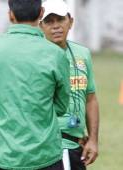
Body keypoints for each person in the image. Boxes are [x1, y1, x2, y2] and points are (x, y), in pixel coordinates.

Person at [0, 0, 71, 169]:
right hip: (45, 156)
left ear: (10, 15)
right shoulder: (56, 54)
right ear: (41, 13)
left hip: (2, 155)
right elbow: (61, 106)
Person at [40, 0, 100, 169]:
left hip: (76, 144)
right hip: (50, 145)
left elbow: (91, 98)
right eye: (49, 21)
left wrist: (93, 139)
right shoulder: (36, 57)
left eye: (60, 20)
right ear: (40, 26)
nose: (56, 26)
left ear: (71, 21)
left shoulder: (83, 54)